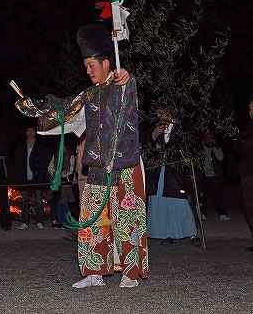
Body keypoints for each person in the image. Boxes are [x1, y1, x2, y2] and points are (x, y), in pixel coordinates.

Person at [15, 23, 148, 288]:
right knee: (93, 219)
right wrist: (36, 107)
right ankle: (94, 273)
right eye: (85, 65)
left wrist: (125, 75)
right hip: (97, 164)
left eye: (91, 65)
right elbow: (64, 111)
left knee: (126, 218)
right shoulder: (88, 94)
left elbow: (127, 86)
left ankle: (130, 274)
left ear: (107, 63)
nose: (86, 71)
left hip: (124, 163)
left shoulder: (125, 85)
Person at [143, 103, 201, 247]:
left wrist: (162, 147)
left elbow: (184, 145)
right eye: (157, 113)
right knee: (160, 201)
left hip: (175, 170)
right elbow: (146, 145)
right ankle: (166, 233)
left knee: (179, 200)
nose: (159, 116)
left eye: (162, 112)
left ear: (170, 111)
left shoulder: (181, 126)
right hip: (158, 171)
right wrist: (154, 135)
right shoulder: (157, 128)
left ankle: (192, 233)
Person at [13, 126, 49, 230]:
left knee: (38, 200)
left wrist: (41, 173)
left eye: (32, 130)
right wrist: (19, 174)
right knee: (24, 201)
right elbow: (17, 161)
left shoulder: (40, 146)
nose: (30, 132)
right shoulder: (20, 146)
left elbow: (44, 161)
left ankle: (39, 221)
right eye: (28, 130)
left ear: (35, 132)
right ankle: (25, 222)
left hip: (37, 177)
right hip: (24, 178)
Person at [197, 132, 229, 221]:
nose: (208, 140)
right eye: (207, 138)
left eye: (210, 138)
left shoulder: (216, 147)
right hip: (203, 176)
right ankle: (202, 213)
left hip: (214, 176)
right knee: (202, 196)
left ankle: (222, 214)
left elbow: (221, 157)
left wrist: (213, 147)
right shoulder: (199, 148)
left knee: (218, 195)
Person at [235, 95, 253, 252]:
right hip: (247, 171)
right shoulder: (246, 127)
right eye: (250, 109)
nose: (252, 112)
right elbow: (238, 147)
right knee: (249, 207)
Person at [47, 144, 75, 228]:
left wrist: (62, 174)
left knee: (65, 203)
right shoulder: (55, 155)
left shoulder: (70, 156)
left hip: (66, 181)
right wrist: (54, 173)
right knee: (58, 203)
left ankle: (65, 222)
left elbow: (71, 169)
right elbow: (50, 166)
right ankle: (59, 220)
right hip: (56, 182)